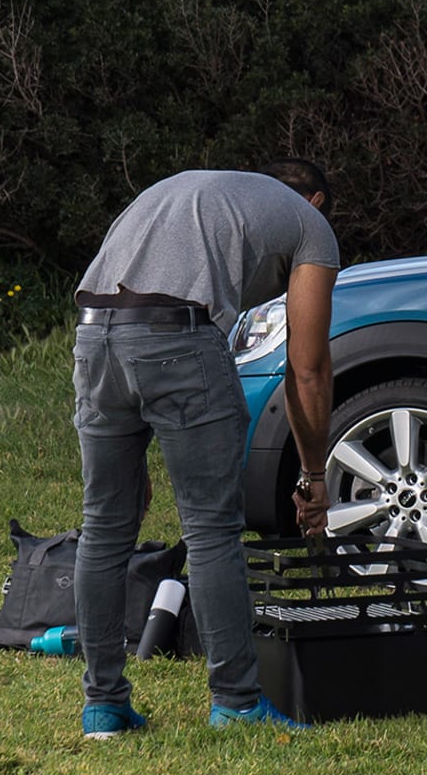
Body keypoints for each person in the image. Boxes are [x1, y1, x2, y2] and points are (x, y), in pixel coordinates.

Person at [72, 160, 339, 739]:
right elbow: (309, 369)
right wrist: (314, 474)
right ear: (314, 200)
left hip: (94, 336)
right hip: (177, 337)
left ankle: (104, 707)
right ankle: (237, 705)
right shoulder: (309, 225)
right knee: (212, 527)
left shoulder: (190, 191)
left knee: (104, 524)